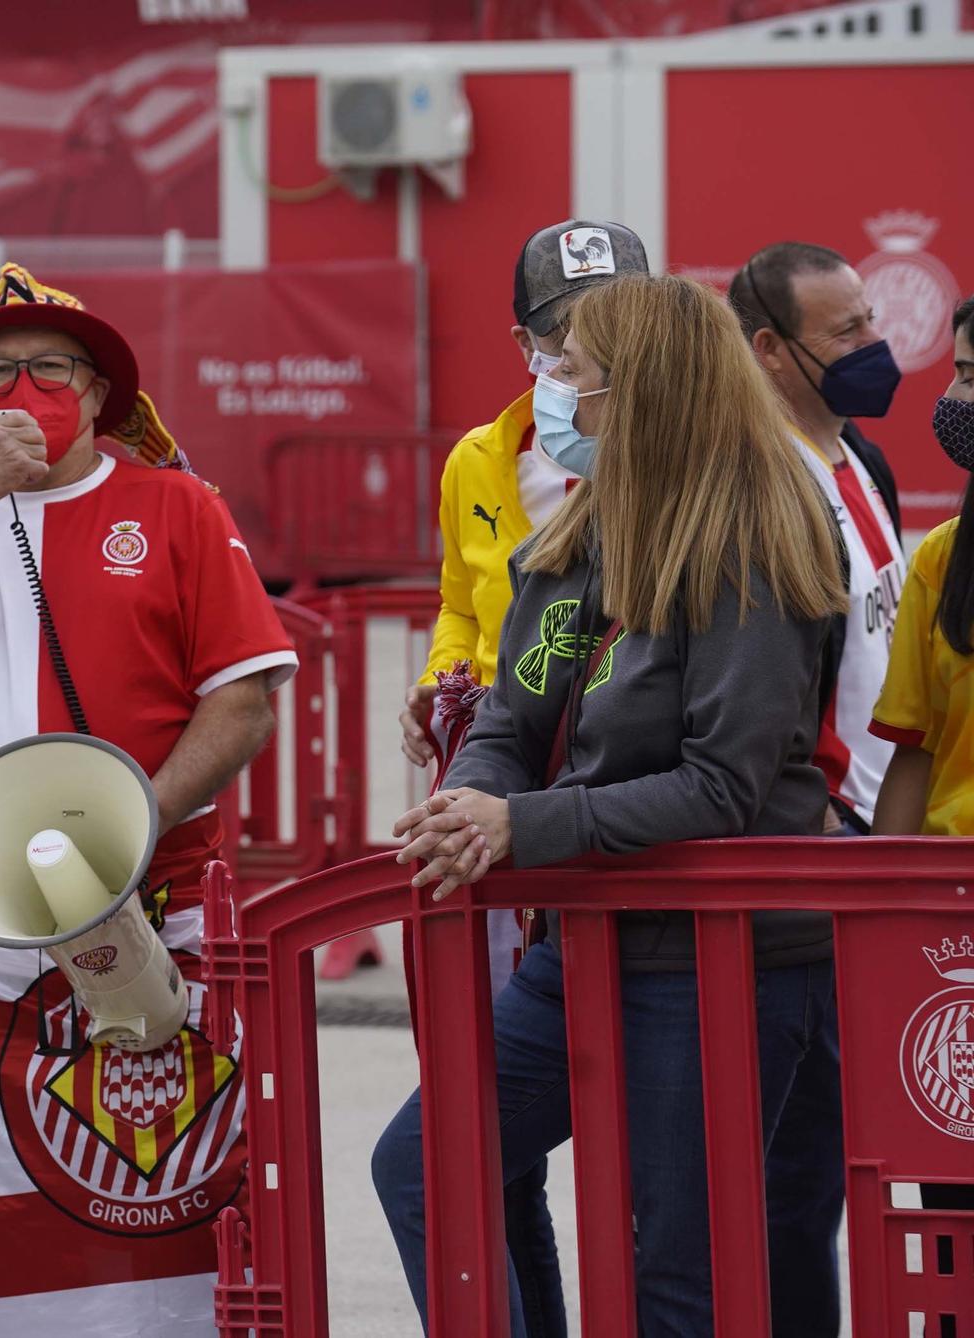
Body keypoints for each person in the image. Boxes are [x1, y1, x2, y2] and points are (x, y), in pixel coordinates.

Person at [371, 273, 850, 1336]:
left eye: (568, 373)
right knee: (421, 1169)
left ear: (637, 393)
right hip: (585, 938)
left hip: (719, 961)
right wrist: (467, 800)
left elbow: (722, 785)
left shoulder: (751, 544)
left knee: (678, 1270)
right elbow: (509, 716)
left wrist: (524, 827)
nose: (548, 392)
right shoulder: (583, 529)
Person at [0, 264, 297, 1334]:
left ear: (98, 393)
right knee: (9, 1197)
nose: (24, 388)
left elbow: (239, 704)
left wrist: (125, 834)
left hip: (164, 903)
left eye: (49, 368)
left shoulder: (177, 508)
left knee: (177, 1189)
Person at [396, 218, 651, 1338]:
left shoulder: (688, 465)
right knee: (485, 1146)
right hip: (501, 796)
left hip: (613, 812)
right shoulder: (479, 461)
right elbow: (463, 597)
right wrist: (447, 679)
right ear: (523, 343)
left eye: (616, 327)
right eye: (564, 335)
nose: (589, 355)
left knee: (645, 1165)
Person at [728, 242, 906, 834]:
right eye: (846, 331)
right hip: (837, 821)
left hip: (894, 808)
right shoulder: (760, 490)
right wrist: (819, 818)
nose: (873, 345)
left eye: (868, 320)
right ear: (770, 350)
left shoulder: (863, 455)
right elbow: (757, 685)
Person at [870, 293, 974, 1290]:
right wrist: (874, 922)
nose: (953, 399)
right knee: (952, 1207)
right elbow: (908, 754)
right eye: (958, 373)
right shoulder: (939, 565)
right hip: (954, 930)